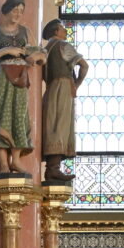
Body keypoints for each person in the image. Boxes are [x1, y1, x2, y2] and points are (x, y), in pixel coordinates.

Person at [0, 0, 43, 175]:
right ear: (6, 10)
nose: (18, 14)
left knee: (19, 116)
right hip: (1, 77)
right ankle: (3, 164)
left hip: (20, 77)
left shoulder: (25, 31)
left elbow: (39, 53)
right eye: (15, 10)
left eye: (21, 11)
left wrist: (34, 57)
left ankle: (15, 160)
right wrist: (7, 50)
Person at [41, 19, 89, 183]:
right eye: (62, 28)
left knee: (51, 125)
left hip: (50, 89)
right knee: (61, 125)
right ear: (56, 31)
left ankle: (51, 168)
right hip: (63, 87)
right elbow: (84, 66)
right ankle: (54, 169)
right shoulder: (64, 46)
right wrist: (76, 85)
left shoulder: (45, 50)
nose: (65, 30)